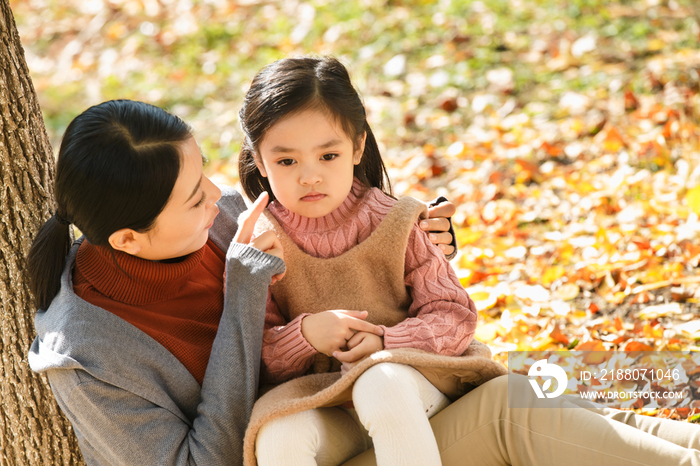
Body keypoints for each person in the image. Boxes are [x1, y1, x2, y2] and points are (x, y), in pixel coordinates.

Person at [237, 56, 700, 466]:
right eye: (287, 162)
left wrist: (384, 338)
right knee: (279, 434)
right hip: (323, 405)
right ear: (259, 160)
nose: (310, 175)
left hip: (412, 386)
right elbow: (251, 353)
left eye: (328, 154)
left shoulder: (398, 222)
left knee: (381, 382)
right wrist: (305, 336)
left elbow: (454, 317)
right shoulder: (259, 242)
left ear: (357, 148)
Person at [25, 99, 459, 465]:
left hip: (364, 411)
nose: (219, 195)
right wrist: (243, 294)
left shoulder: (227, 221)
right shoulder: (87, 360)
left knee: (517, 411)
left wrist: (422, 234)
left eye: (205, 174)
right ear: (128, 240)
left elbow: (344, 230)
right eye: (196, 196)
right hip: (293, 441)